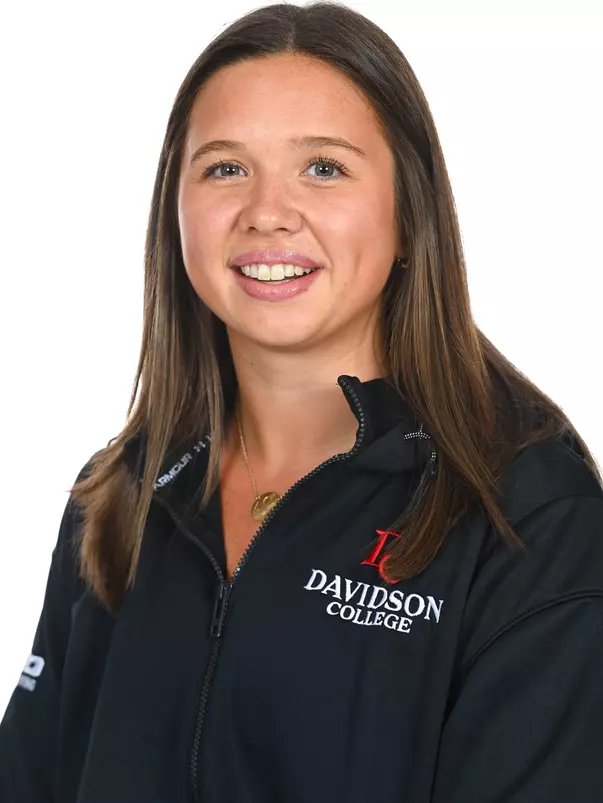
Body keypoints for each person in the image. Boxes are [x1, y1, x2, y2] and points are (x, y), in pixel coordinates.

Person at [1, 2, 602, 801]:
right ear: (174, 210)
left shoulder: (525, 513)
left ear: (409, 212)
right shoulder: (117, 496)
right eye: (224, 168)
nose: (266, 213)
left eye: (322, 167)